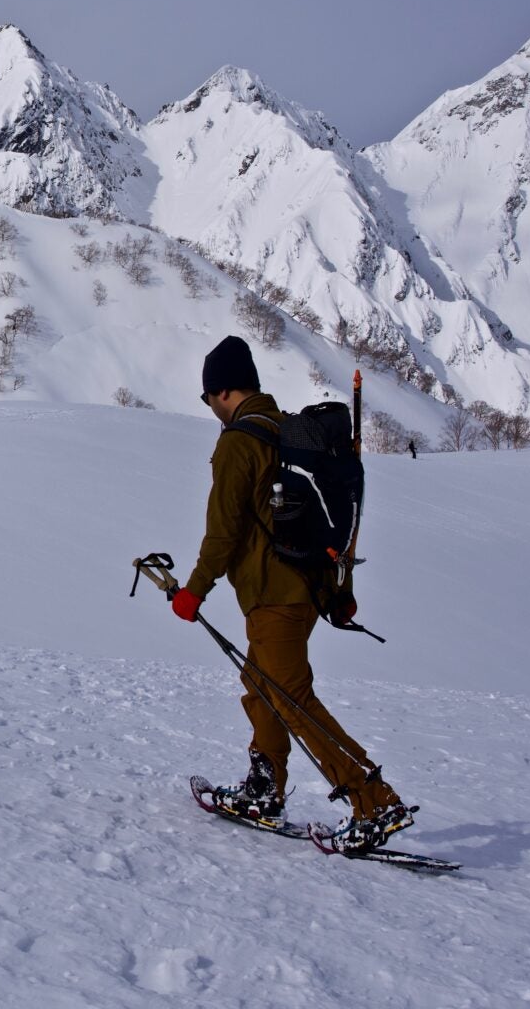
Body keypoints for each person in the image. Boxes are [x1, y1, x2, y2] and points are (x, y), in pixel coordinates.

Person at [171, 334, 415, 850]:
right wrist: (335, 591)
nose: (210, 407)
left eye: (206, 397)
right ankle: (264, 788)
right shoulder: (285, 432)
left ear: (220, 392)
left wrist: (193, 591)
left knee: (291, 697)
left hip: (273, 595)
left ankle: (374, 801)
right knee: (262, 687)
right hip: (301, 591)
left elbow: (224, 531)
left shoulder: (240, 441)